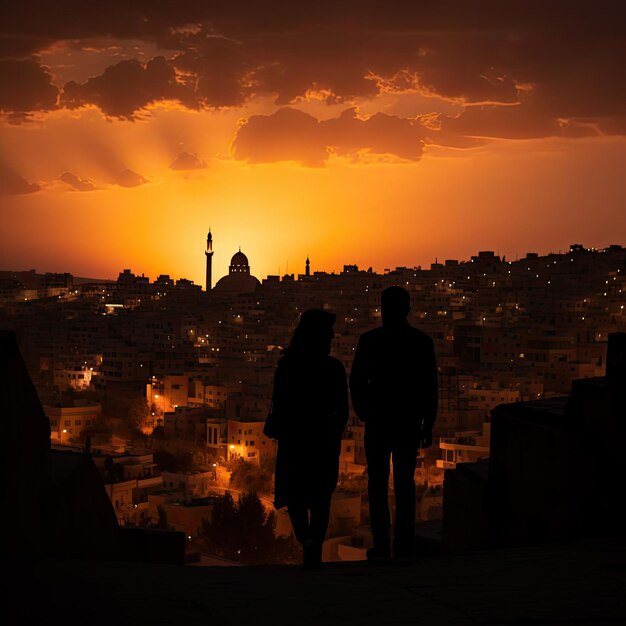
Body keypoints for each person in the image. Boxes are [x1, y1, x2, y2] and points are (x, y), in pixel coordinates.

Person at [349, 285, 438, 562]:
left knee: (377, 483)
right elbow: (430, 388)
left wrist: (365, 412)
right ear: (407, 309)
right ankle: (403, 546)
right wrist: (427, 424)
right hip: (407, 421)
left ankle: (381, 544)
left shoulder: (370, 340)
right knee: (404, 484)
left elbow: (356, 381)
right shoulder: (421, 342)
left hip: (379, 421)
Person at [264, 308, 348, 568]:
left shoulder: (287, 366)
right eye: (329, 332)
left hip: (294, 439)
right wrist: (334, 434)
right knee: (322, 499)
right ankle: (315, 548)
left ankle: (307, 544)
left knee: (296, 497)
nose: (333, 336)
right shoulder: (333, 368)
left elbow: (278, 403)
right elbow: (342, 409)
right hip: (323, 441)